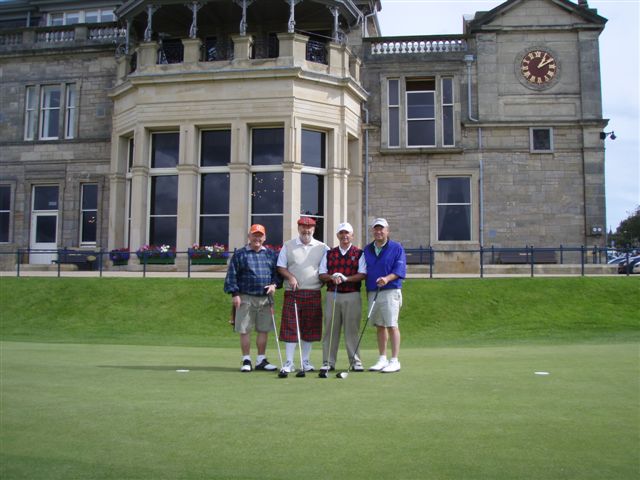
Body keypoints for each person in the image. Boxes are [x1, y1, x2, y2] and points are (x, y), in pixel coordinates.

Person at [224, 224, 280, 373]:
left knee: (263, 330)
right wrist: (235, 294)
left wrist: (274, 284)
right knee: (245, 330)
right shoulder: (240, 254)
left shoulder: (270, 254)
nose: (257, 238)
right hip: (245, 297)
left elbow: (277, 274)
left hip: (265, 299)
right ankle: (246, 359)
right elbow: (231, 275)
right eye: (254, 235)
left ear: (264, 237)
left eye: (260, 235)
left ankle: (261, 360)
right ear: (249, 237)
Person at [277, 216, 328, 373]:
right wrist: (290, 277)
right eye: (303, 227)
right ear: (298, 228)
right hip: (293, 292)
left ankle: (305, 361)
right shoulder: (288, 245)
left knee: (309, 328)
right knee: (290, 327)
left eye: (309, 228)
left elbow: (325, 269)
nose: (306, 230)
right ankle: (289, 362)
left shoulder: (323, 247)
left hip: (313, 292)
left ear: (313, 229)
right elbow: (280, 266)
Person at [318, 222, 367, 372]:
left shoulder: (359, 253)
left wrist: (346, 278)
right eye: (342, 233)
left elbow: (362, 274)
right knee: (330, 330)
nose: (344, 236)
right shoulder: (329, 253)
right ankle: (328, 362)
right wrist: (332, 277)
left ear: (352, 236)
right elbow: (321, 274)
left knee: (351, 330)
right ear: (338, 235)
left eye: (347, 233)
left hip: (352, 295)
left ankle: (355, 361)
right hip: (333, 295)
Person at [363, 218, 406, 373]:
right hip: (373, 291)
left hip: (390, 291)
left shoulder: (396, 248)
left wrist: (386, 278)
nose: (378, 232)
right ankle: (382, 358)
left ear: (387, 231)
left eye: (381, 229)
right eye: (376, 229)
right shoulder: (367, 249)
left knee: (392, 325)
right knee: (379, 326)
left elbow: (400, 270)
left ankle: (395, 360)